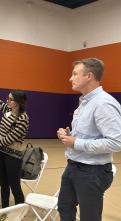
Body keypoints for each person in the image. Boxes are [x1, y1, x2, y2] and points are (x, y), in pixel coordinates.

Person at [57, 58, 121, 221]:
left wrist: (76, 142)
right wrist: (68, 135)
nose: (70, 78)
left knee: (89, 217)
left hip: (92, 172)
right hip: (73, 166)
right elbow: (88, 134)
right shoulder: (84, 103)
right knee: (64, 207)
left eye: (75, 74)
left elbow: (116, 142)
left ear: (89, 76)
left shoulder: (103, 103)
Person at [0, 74, 29, 208]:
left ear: (18, 103)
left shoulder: (23, 118)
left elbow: (10, 138)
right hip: (1, 153)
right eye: (8, 98)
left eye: (10, 99)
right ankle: (5, 209)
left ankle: (19, 210)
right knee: (3, 185)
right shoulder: (7, 110)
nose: (7, 101)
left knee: (15, 186)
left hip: (13, 156)